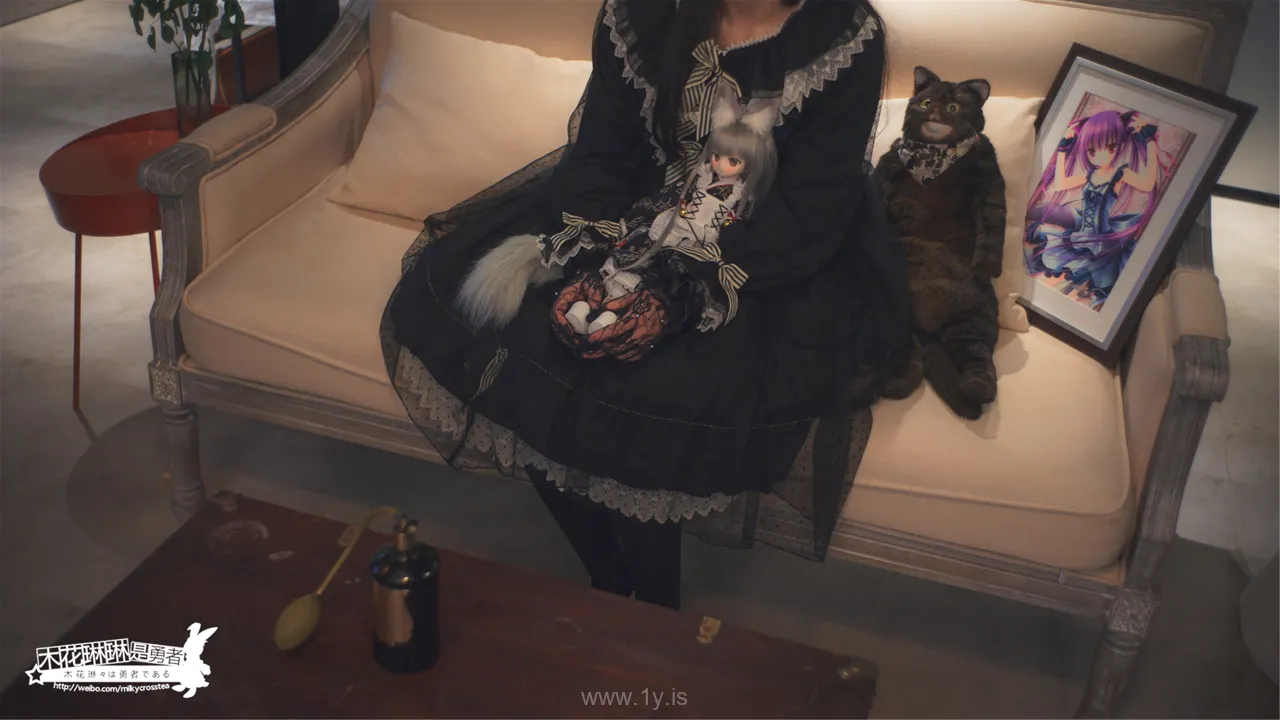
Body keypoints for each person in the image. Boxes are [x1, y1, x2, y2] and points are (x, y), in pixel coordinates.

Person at [381, 0, 911, 610]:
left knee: (652, 393)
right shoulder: (642, 14)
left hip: (759, 252)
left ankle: (656, 614)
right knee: (532, 348)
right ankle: (608, 579)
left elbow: (812, 209)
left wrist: (674, 290)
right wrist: (599, 264)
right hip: (632, 222)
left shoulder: (842, 36)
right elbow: (601, 153)